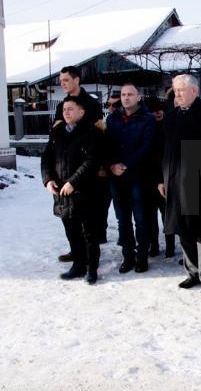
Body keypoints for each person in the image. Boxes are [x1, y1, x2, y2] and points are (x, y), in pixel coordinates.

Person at [159, 74, 201, 296]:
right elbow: (163, 151)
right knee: (182, 228)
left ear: (194, 91)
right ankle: (192, 272)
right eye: (175, 90)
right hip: (175, 181)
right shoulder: (171, 117)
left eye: (181, 90)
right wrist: (162, 179)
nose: (176, 94)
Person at [42, 96, 100, 284]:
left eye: (70, 109)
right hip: (62, 193)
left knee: (89, 233)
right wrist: (48, 179)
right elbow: (46, 159)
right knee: (71, 230)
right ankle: (78, 265)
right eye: (64, 109)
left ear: (81, 112)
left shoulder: (90, 132)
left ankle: (92, 268)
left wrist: (74, 181)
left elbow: (91, 161)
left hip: (85, 191)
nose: (66, 112)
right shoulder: (57, 132)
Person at [52, 66, 107, 260]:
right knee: (68, 215)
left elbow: (100, 138)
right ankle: (76, 251)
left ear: (76, 80)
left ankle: (90, 256)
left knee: (89, 217)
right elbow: (57, 137)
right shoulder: (62, 106)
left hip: (87, 169)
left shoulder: (91, 105)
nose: (62, 83)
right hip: (65, 168)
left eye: (66, 80)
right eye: (61, 80)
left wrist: (101, 167)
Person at [106, 83, 156, 273]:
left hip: (138, 176)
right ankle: (128, 256)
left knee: (141, 219)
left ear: (138, 97)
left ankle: (142, 256)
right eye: (123, 94)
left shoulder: (147, 118)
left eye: (130, 94)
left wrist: (125, 164)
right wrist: (112, 165)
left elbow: (147, 146)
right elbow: (107, 145)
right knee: (122, 220)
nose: (126, 97)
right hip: (116, 178)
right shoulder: (112, 118)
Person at [145, 96, 176, 258]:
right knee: (150, 216)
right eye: (153, 110)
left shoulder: (168, 126)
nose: (157, 112)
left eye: (160, 109)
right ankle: (154, 245)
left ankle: (170, 245)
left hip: (165, 177)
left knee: (166, 215)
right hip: (148, 178)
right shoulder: (147, 128)